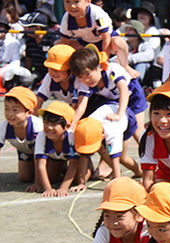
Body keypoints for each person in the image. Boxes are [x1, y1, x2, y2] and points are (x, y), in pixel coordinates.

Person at [69, 45, 143, 178]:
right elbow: (82, 105)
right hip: (113, 102)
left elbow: (124, 91)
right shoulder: (84, 83)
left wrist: (120, 114)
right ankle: (137, 171)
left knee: (139, 133)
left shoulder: (112, 70)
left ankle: (154, 164)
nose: (86, 79)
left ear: (98, 67)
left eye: (88, 74)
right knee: (121, 155)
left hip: (132, 97)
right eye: (81, 76)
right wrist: (73, 124)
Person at [0, 86, 42, 192]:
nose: (10, 114)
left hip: (47, 152)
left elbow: (40, 156)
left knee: (51, 178)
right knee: (24, 178)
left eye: (15, 110)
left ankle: (60, 165)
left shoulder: (37, 127)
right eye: (6, 109)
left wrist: (37, 184)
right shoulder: (4, 126)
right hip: (26, 151)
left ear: (29, 112)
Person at [59, 0, 136, 78]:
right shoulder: (66, 18)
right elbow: (64, 41)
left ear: (88, 1)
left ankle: (125, 66)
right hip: (86, 44)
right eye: (67, 1)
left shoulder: (96, 13)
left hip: (107, 42)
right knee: (58, 44)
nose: (72, 6)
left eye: (77, 1)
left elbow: (106, 37)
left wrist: (104, 58)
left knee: (119, 42)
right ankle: (66, 69)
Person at [32, 101, 80, 197]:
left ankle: (89, 169)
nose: (49, 127)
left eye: (54, 124)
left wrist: (63, 188)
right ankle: (62, 167)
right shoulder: (41, 136)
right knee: (52, 178)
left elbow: (74, 164)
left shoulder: (72, 137)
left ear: (67, 126)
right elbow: (40, 164)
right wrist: (48, 188)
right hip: (56, 158)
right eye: (46, 122)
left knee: (79, 179)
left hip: (77, 160)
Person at [35, 44, 79, 112]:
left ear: (71, 69)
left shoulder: (77, 79)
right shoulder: (49, 77)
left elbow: (76, 107)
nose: (53, 72)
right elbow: (39, 100)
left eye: (58, 69)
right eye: (50, 68)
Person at [19, 11, 58, 88]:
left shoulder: (53, 39)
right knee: (25, 80)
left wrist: (47, 78)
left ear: (38, 28)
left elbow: (56, 62)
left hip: (54, 73)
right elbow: (28, 60)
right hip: (37, 73)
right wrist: (28, 73)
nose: (25, 29)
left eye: (28, 27)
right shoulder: (30, 41)